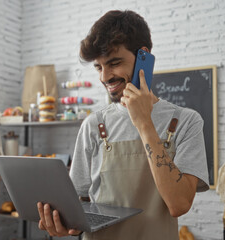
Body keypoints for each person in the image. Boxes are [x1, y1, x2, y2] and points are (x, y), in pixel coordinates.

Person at [37, 10, 209, 239]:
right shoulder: (92, 125)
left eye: (114, 63)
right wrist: (65, 223)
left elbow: (179, 204)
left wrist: (145, 123)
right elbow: (80, 205)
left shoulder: (186, 121)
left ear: (143, 57)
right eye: (98, 67)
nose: (104, 77)